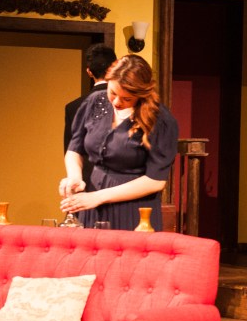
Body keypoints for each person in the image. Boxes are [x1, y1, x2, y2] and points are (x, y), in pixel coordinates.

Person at [59, 54, 178, 231]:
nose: (116, 102)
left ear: (141, 94)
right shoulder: (94, 102)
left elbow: (155, 181)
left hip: (133, 211)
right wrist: (75, 177)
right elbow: (74, 149)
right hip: (91, 204)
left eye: (127, 98)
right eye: (112, 93)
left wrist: (99, 197)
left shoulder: (160, 119)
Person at [64, 43, 117, 191]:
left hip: (87, 184)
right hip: (123, 185)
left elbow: (71, 150)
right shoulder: (129, 102)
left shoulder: (73, 106)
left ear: (89, 72)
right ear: (115, 67)